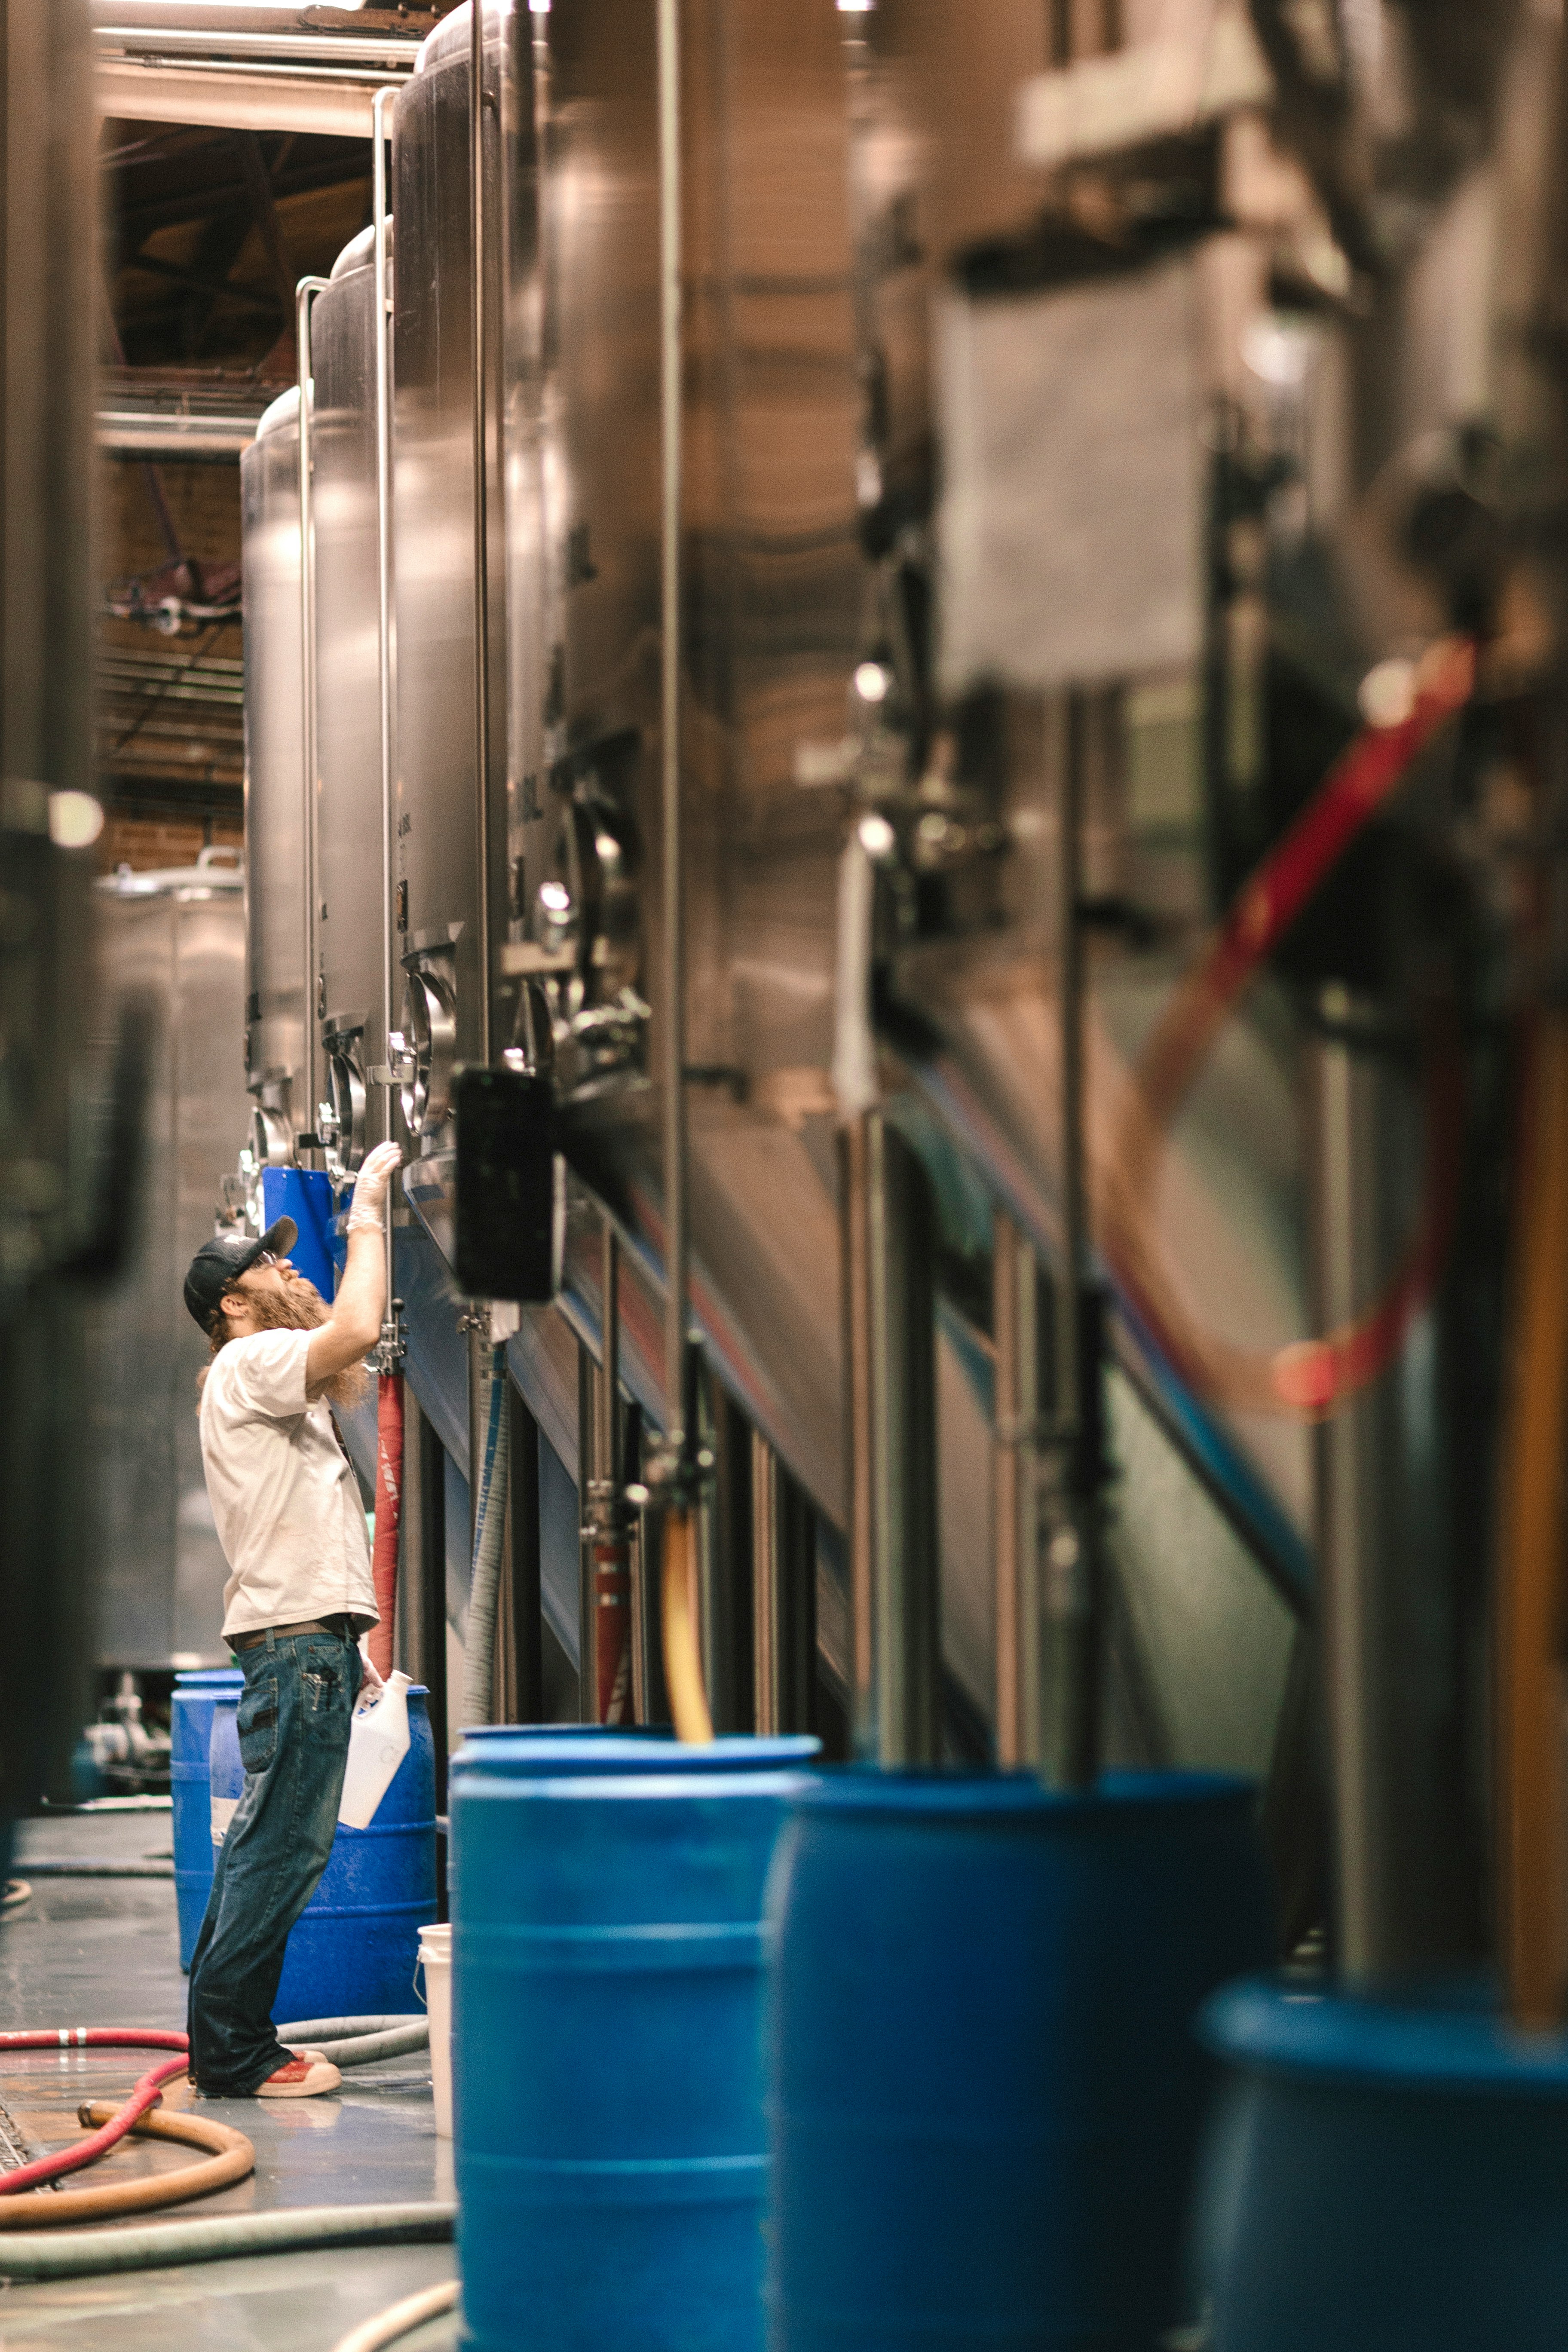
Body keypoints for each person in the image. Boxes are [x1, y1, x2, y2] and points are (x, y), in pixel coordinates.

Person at [181, 1139, 403, 2099]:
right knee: (283, 1848)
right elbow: (357, 1327)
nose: (285, 1268)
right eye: (266, 1264)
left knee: (261, 1847)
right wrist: (368, 1212)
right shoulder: (254, 1360)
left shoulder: (257, 1380)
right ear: (232, 1302)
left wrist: (343, 1643)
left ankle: (222, 2045)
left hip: (303, 1642)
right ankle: (237, 2055)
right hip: (294, 1646)